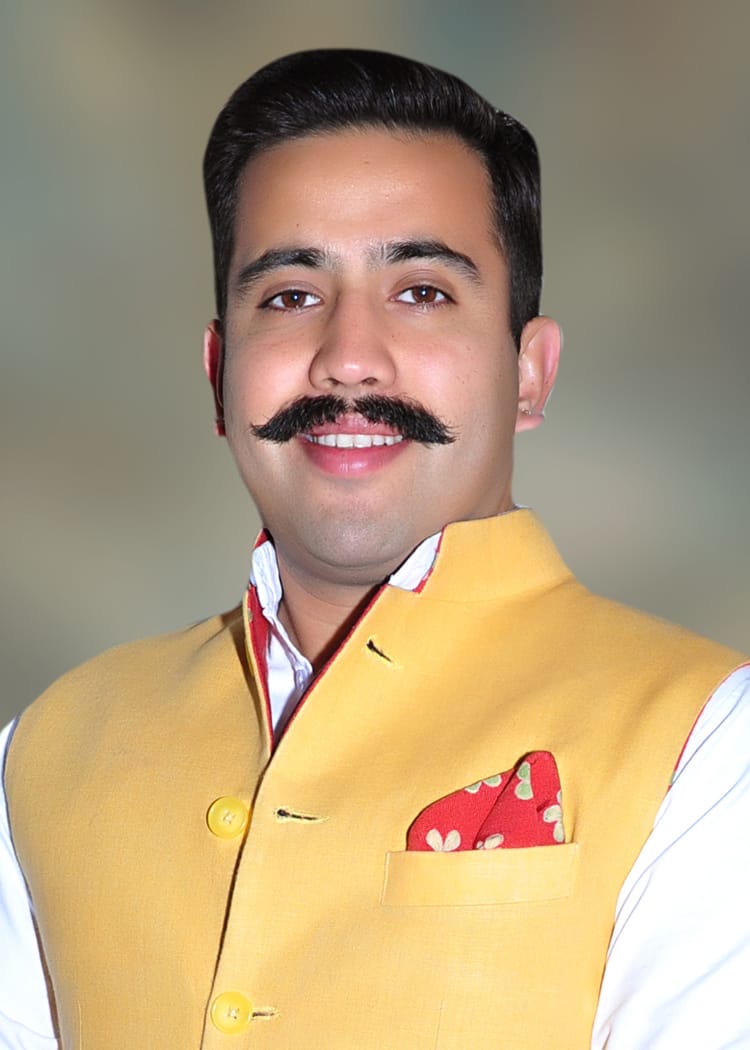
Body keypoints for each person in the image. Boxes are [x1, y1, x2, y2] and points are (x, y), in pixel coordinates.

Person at [1, 48, 748, 1050]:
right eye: (290, 296)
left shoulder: (706, 744)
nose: (349, 359)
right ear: (219, 375)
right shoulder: (46, 749)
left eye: (422, 292)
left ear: (529, 373)